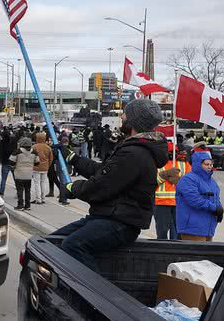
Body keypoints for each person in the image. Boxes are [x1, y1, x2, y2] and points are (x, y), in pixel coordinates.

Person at [56, 98, 168, 271]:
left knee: (73, 245)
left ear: (133, 121)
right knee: (53, 241)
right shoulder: (133, 148)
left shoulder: (135, 153)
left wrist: (72, 188)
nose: (122, 117)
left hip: (120, 222)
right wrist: (74, 158)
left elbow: (101, 186)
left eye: (125, 114)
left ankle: (95, 295)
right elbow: (105, 171)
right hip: (107, 216)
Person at [175, 148, 222, 241]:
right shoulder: (188, 179)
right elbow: (194, 200)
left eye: (211, 164)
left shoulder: (211, 181)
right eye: (206, 164)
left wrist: (219, 209)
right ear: (198, 164)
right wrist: (214, 208)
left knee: (206, 254)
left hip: (208, 227)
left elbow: (216, 197)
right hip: (192, 228)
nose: (209, 167)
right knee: (195, 255)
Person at [154, 144, 191, 240]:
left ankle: (175, 253)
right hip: (161, 203)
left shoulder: (184, 164)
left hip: (178, 203)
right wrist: (164, 175)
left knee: (178, 233)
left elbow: (191, 183)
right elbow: (151, 183)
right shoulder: (155, 163)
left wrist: (179, 181)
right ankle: (162, 252)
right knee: (162, 232)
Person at [10, 137, 38, 211]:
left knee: (20, 190)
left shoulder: (17, 151)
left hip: (19, 173)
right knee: (28, 190)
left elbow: (11, 161)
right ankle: (28, 205)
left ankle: (20, 205)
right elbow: (37, 162)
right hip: (29, 174)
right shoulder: (34, 152)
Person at [31, 132, 53, 205]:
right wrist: (48, 165)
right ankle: (43, 198)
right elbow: (51, 159)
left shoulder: (34, 147)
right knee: (43, 183)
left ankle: (38, 199)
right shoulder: (48, 147)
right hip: (45, 167)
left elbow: (31, 157)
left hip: (36, 167)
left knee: (37, 183)